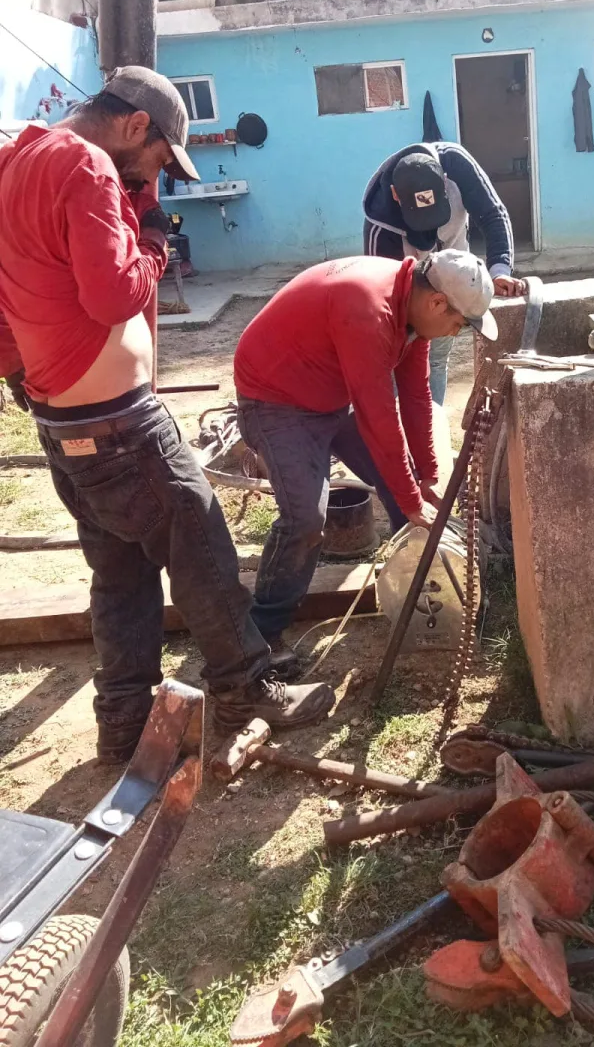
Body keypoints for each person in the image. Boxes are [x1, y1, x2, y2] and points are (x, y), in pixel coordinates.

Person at [0, 67, 334, 762]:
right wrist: (153, 240)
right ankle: (244, 686)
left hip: (69, 428)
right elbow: (114, 293)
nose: (158, 175)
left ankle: (123, 720)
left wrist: (20, 376)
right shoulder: (86, 164)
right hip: (122, 425)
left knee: (119, 573)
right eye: (158, 157)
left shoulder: (18, 161)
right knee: (202, 546)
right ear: (134, 126)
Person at [234, 250, 498, 649]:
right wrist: (411, 498)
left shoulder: (412, 310)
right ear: (437, 302)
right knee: (306, 518)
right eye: (458, 323)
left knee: (402, 483)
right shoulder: (369, 309)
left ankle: (417, 578)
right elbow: (378, 416)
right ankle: (261, 637)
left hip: (327, 393)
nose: (455, 332)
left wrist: (425, 477)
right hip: (275, 399)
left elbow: (415, 397)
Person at [363, 142, 525, 403]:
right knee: (399, 364)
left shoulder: (456, 166)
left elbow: (493, 214)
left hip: (455, 276)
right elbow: (383, 297)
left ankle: (433, 427)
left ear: (444, 182)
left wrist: (499, 269)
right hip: (409, 291)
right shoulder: (380, 224)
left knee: (437, 359)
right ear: (395, 195)